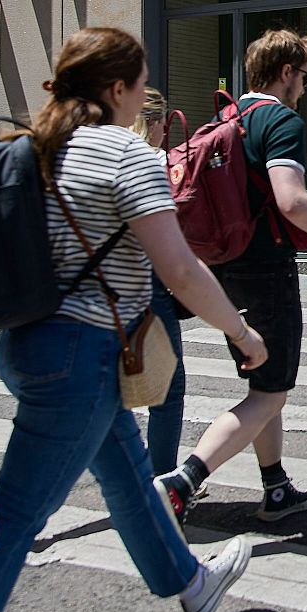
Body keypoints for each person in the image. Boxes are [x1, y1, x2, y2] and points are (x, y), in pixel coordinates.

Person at [0, 28, 268, 612]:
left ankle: (190, 584)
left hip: (32, 345)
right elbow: (182, 270)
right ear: (115, 89)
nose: (144, 98)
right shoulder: (120, 154)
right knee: (12, 516)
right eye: (139, 84)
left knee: (130, 476)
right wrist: (241, 330)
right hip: (82, 354)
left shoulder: (39, 149)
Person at [155, 29, 307, 526]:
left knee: (263, 384)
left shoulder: (226, 121)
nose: (305, 87)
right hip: (266, 271)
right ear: (286, 73)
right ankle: (183, 481)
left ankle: (276, 487)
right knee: (272, 393)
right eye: (304, 77)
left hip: (223, 268)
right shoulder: (280, 120)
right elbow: (291, 200)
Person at [131, 87, 188, 476]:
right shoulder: (155, 162)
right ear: (154, 123)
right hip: (148, 286)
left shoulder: (102, 153)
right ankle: (163, 479)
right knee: (168, 389)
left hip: (104, 290)